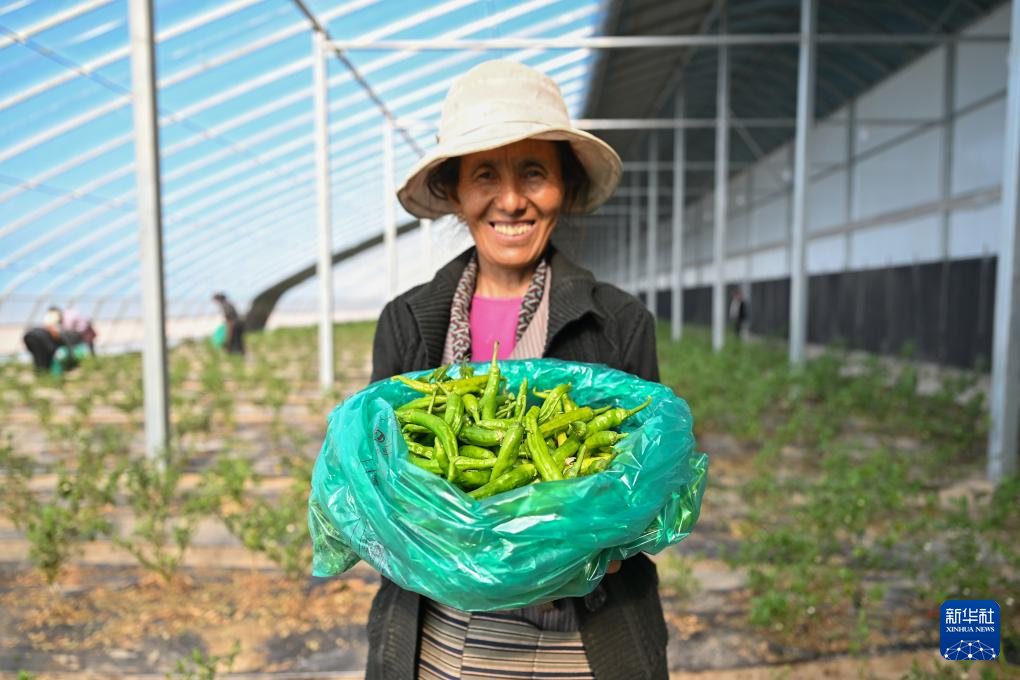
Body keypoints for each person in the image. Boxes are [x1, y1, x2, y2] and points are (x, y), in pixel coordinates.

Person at [368, 61, 666, 680]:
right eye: (485, 175)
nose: (510, 200)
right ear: (455, 192)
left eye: (534, 172)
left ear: (564, 186)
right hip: (440, 639)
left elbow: (649, 488)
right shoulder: (407, 322)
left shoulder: (619, 322)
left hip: (580, 642)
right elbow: (380, 478)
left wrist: (600, 541)